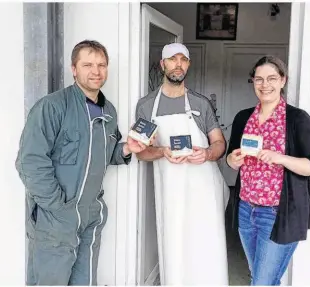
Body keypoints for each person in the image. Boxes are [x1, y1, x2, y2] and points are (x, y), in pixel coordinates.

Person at [15, 40, 148, 285]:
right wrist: (58, 206)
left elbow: (105, 154)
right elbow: (29, 162)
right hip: (56, 218)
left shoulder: (108, 110)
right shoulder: (52, 107)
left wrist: (127, 148)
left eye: (101, 65)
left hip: (90, 216)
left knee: (84, 281)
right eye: (87, 64)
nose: (95, 71)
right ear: (74, 69)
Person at [135, 43, 230, 285]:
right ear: (162, 64)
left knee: (206, 241)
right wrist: (161, 151)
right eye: (172, 59)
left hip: (203, 187)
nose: (178, 64)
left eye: (183, 59)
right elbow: (140, 152)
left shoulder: (200, 104)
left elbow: (219, 142)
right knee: (175, 241)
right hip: (170, 188)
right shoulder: (146, 106)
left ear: (188, 64)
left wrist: (208, 154)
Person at [226, 55, 310, 285]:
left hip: (278, 213)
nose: (264, 84)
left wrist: (280, 158)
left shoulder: (298, 120)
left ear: (283, 80)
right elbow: (230, 158)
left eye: (271, 78)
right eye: (258, 79)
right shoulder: (243, 118)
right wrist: (233, 159)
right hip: (245, 210)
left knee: (262, 282)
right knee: (263, 278)